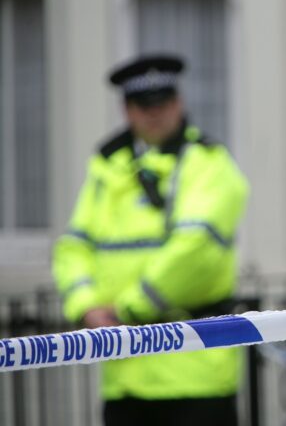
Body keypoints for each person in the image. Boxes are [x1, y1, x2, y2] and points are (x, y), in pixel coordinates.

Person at [52, 54, 249, 426]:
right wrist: (87, 306)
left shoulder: (208, 162)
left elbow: (194, 250)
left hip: (195, 374)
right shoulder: (107, 168)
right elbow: (73, 247)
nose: (155, 114)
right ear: (126, 109)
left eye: (164, 103)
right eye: (144, 106)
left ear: (179, 103)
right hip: (125, 378)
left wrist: (124, 311)